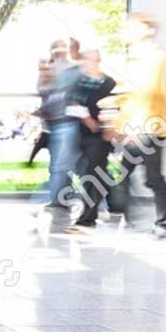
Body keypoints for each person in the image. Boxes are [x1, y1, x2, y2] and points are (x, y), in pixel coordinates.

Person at [107, 14, 166, 239]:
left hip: (149, 129)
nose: (123, 31)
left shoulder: (155, 57)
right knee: (124, 175)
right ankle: (127, 218)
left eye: (129, 28)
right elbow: (128, 93)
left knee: (153, 179)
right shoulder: (132, 59)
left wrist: (136, 127)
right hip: (132, 128)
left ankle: (164, 225)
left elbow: (151, 94)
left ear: (146, 29)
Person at [68, 48, 118, 229]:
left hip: (100, 136)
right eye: (84, 60)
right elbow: (70, 102)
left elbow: (113, 107)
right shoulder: (79, 81)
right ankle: (114, 202)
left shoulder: (108, 83)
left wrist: (108, 127)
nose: (86, 63)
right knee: (93, 174)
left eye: (89, 60)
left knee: (93, 174)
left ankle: (87, 218)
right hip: (80, 134)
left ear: (97, 61)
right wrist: (86, 118)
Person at [40, 41, 81, 209]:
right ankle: (62, 197)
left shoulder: (71, 69)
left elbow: (59, 93)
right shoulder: (51, 69)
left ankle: (57, 200)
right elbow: (43, 90)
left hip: (64, 121)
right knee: (61, 164)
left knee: (61, 165)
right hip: (53, 123)